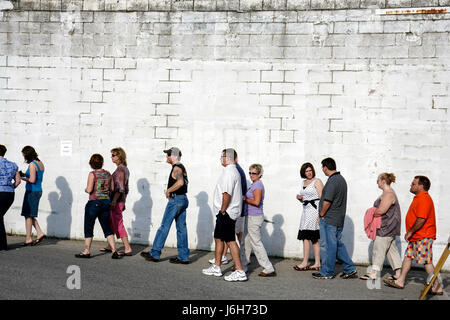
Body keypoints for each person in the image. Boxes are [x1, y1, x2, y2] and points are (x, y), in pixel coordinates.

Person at [384, 176, 443, 295]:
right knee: (408, 257)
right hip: (417, 236)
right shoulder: (419, 198)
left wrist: (410, 231)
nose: (411, 185)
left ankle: (437, 286)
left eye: (413, 184)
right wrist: (411, 233)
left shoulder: (424, 198)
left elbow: (421, 219)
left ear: (421, 186)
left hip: (423, 236)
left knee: (426, 262)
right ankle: (400, 281)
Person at [202, 148, 247, 281]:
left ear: (226, 157)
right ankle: (217, 266)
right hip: (224, 212)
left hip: (226, 213)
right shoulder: (232, 171)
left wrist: (222, 210)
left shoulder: (229, 172)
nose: (220, 159)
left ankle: (240, 271)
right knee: (218, 238)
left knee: (230, 241)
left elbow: (226, 193)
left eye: (221, 156)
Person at [141, 147, 190, 263]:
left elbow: (180, 182)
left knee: (164, 226)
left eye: (168, 154)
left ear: (174, 156)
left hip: (176, 200)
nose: (166, 157)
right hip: (183, 199)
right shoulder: (182, 167)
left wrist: (168, 191)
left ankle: (155, 253)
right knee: (182, 228)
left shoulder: (177, 168)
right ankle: (183, 256)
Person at [312, 157, 357, 280]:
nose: (322, 169)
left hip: (330, 219)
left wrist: (321, 214)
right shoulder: (341, 179)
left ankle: (327, 272)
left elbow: (327, 201)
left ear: (325, 167)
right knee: (336, 244)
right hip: (337, 218)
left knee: (328, 246)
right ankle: (349, 268)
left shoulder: (333, 181)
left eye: (322, 167)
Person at [75, 154, 120, 259]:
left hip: (94, 202)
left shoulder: (92, 174)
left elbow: (89, 189)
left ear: (91, 163)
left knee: (89, 226)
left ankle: (87, 250)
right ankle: (114, 250)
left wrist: (86, 190)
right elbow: (112, 188)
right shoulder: (108, 174)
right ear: (102, 162)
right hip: (106, 202)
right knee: (107, 227)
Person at [360, 173, 402, 280]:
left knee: (378, 248)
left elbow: (382, 210)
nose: (376, 182)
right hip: (389, 226)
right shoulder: (387, 193)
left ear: (383, 181)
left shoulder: (388, 194)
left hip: (386, 227)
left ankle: (373, 273)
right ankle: (398, 274)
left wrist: (371, 213)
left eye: (378, 180)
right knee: (391, 250)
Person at [243, 164, 275, 277]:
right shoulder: (254, 184)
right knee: (246, 240)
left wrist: (245, 199)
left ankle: (268, 267)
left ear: (260, 174)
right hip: (250, 215)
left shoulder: (258, 185)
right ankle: (244, 263)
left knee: (256, 242)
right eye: (250, 173)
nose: (251, 175)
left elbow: (256, 202)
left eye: (254, 173)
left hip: (254, 217)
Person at [102, 147, 132, 256]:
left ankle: (127, 248)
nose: (111, 157)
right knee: (111, 221)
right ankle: (110, 245)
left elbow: (120, 188)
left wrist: (114, 200)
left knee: (118, 223)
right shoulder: (124, 168)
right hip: (119, 200)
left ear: (119, 156)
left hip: (117, 200)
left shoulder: (120, 170)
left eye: (113, 155)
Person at [294, 162, 323, 271]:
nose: (309, 173)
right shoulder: (303, 182)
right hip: (305, 211)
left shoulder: (317, 181)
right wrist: (300, 198)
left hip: (314, 211)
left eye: (310, 170)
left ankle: (312, 262)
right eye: (307, 171)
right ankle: (310, 262)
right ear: (303, 172)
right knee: (306, 237)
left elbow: (322, 198)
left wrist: (320, 214)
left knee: (312, 237)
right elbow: (306, 197)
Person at [20, 146, 46, 246]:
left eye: (24, 155)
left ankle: (28, 238)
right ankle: (39, 233)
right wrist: (25, 175)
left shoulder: (32, 164)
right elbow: (36, 177)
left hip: (31, 191)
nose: (24, 158)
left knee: (28, 215)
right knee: (30, 214)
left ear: (27, 154)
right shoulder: (40, 163)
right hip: (38, 190)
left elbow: (32, 180)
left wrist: (22, 177)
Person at [0, 145, 21, 251]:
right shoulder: (13, 165)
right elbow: (18, 181)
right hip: (9, 194)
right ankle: (2, 245)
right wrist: (10, 187)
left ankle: (3, 245)